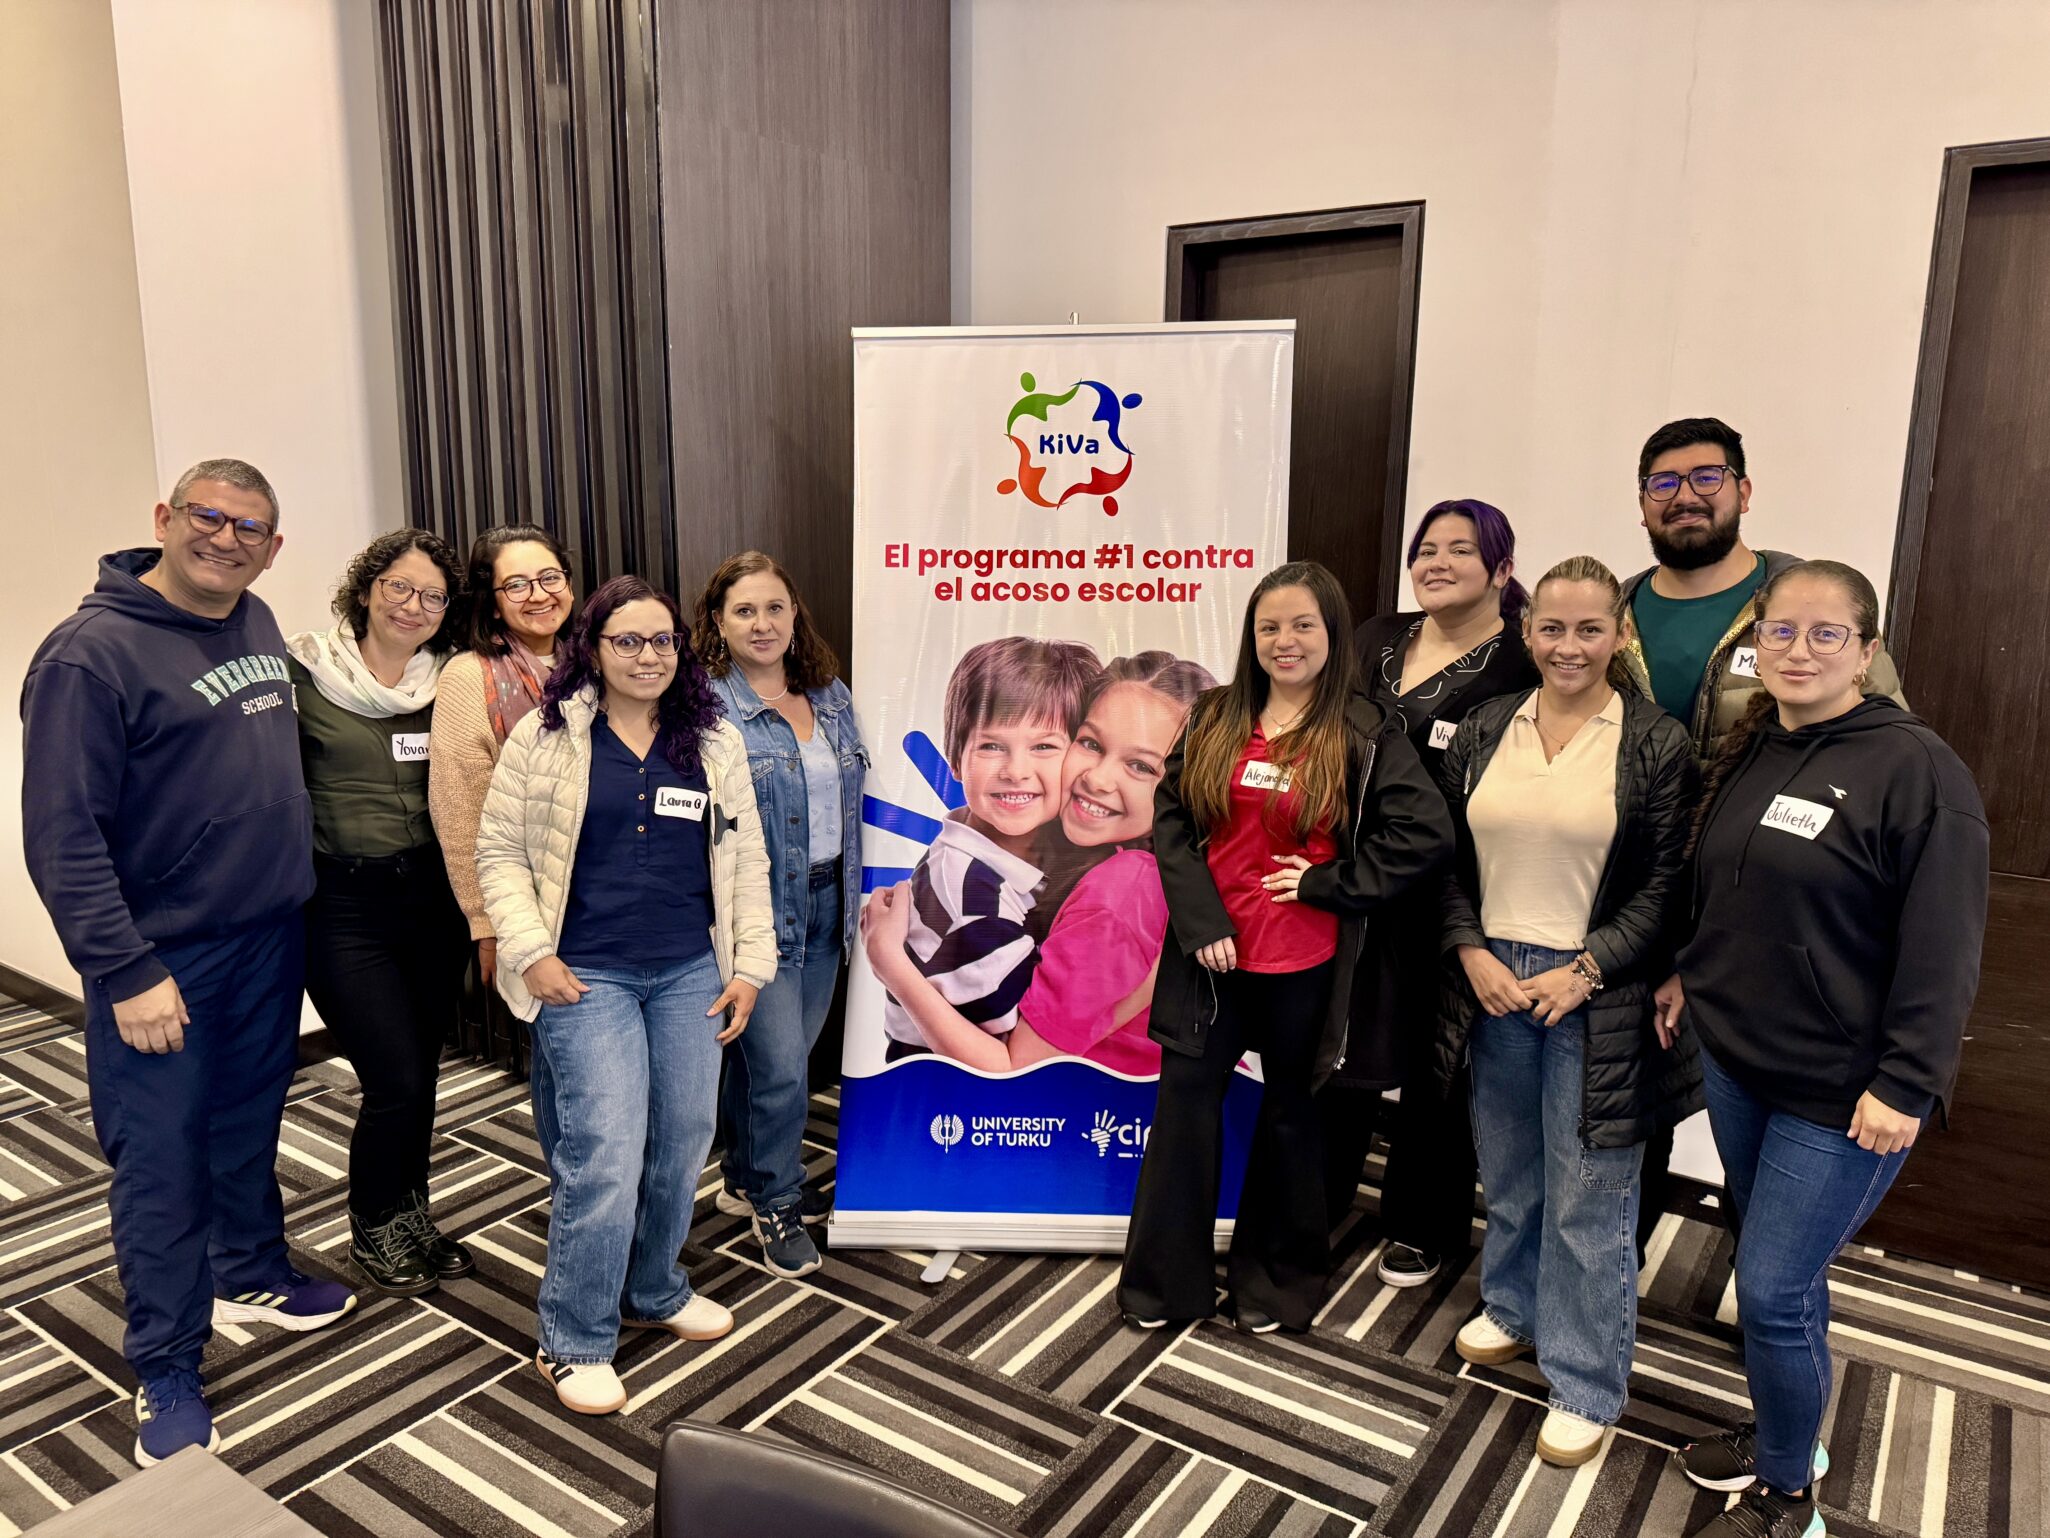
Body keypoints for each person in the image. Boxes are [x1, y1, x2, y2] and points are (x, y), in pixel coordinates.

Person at [21, 459, 356, 1467]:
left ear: (273, 548)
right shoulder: (89, 656)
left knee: (246, 1124)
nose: (225, 538)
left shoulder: (253, 620)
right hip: (162, 955)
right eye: (207, 516)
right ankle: (165, 1362)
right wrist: (124, 970)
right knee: (161, 1162)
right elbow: (62, 837)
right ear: (165, 517)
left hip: (267, 936)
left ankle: (248, 1266)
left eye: (249, 527)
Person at [1665, 561, 1987, 1538]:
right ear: (1755, 643)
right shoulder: (1758, 741)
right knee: (1782, 1275)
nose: (1798, 650)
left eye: (1824, 633)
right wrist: (1688, 972)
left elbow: (1945, 946)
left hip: (1845, 1092)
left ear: (1867, 650)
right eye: (1780, 630)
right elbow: (1730, 886)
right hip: (1740, 1063)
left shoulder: (1918, 770)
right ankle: (1785, 1434)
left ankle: (1788, 1496)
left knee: (1768, 1288)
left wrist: (1907, 1082)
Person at [1118, 562, 1451, 1335]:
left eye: (1303, 624)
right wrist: (1201, 923)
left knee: (1294, 1121)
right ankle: (1164, 1288)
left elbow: (1425, 834)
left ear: (1332, 633)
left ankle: (1272, 1287)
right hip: (1212, 960)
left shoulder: (1365, 729)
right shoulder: (1216, 715)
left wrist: (1333, 883)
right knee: (1185, 1114)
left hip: (1307, 964)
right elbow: (1173, 819)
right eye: (1269, 626)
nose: (1284, 641)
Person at [475, 576, 776, 1415]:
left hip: (689, 970)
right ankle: (572, 1337)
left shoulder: (712, 741)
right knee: (604, 1153)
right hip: (585, 973)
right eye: (628, 641)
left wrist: (750, 966)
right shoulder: (546, 736)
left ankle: (653, 1287)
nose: (648, 656)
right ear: (593, 648)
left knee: (681, 1140)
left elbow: (747, 859)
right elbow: (499, 852)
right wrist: (531, 952)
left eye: (662, 641)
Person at [1618, 416, 1906, 1267]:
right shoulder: (1617, 607)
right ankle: (1613, 1269)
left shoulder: (1798, 604)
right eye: (1664, 482)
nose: (1685, 496)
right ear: (1642, 503)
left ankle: (1767, 1282)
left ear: (1743, 491)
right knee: (1630, 1091)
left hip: (1763, 898)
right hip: (1635, 891)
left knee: (1757, 1108)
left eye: (1706, 477)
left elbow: (1877, 742)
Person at [1435, 556, 1699, 1468]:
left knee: (1592, 1191)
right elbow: (1444, 860)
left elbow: (1666, 886)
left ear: (1620, 634)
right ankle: (1513, 1309)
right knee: (1511, 1170)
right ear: (1526, 630)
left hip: (1596, 990)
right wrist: (1470, 951)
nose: (1569, 646)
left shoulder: (1656, 741)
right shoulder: (1486, 726)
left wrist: (1586, 971)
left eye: (1591, 628)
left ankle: (1587, 1379)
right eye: (1552, 627)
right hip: (1493, 981)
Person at [1327, 499, 1538, 1284]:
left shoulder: (1522, 661)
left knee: (1440, 1058)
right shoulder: (1375, 637)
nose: (1436, 562)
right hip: (1353, 872)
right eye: (1426, 549)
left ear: (1501, 569)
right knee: (1340, 1039)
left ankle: (1423, 1223)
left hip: (1456, 881)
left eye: (1460, 549)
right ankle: (1319, 1198)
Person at [862, 651, 1215, 1074]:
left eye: (1141, 766)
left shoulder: (1124, 888)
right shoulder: (1074, 858)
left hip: (1079, 1103)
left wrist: (890, 963)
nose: (1098, 779)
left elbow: (1016, 1069)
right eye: (1091, 744)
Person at [287, 529, 473, 1296]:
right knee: (392, 1075)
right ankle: (371, 1224)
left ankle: (409, 1213)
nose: (413, 605)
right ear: (366, 589)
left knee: (420, 1071)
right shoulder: (304, 674)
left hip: (431, 899)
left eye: (433, 595)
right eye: (399, 586)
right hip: (341, 903)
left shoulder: (451, 681)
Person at [694, 551, 867, 1279]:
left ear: (795, 613)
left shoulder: (829, 693)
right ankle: (777, 1201)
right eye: (744, 611)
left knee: (777, 1063)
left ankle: (743, 1176)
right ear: (718, 622)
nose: (762, 624)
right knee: (781, 1072)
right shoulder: (705, 707)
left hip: (831, 903)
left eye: (774, 607)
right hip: (757, 913)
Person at [876, 635, 1101, 1059]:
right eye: (991, 746)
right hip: (955, 1083)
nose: (1016, 771)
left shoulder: (1051, 847)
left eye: (1044, 746)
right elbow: (1017, 1059)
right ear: (955, 760)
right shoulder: (970, 897)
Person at [428, 524, 575, 1141]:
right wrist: (486, 922)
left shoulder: (598, 658)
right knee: (567, 1063)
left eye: (549, 577)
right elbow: (459, 806)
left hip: (608, 894)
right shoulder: (472, 675)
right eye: (516, 585)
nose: (538, 594)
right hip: (528, 902)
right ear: (491, 601)